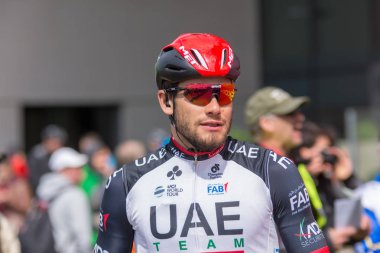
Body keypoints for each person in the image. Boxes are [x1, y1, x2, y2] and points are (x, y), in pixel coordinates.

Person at [94, 33, 329, 253]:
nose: (215, 108)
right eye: (199, 93)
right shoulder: (124, 184)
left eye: (225, 93)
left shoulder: (274, 170)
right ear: (166, 101)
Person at [288, 121, 370, 252]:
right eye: (323, 152)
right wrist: (327, 240)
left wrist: (347, 179)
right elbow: (295, 236)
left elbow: (347, 216)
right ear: (305, 152)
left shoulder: (324, 182)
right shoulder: (293, 183)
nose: (327, 157)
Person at [37, 147, 91, 253]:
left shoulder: (45, 192)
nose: (82, 171)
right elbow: (83, 238)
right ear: (64, 170)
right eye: (77, 167)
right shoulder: (75, 195)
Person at [245, 86, 309, 156]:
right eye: (291, 113)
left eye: (298, 112)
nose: (301, 117)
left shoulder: (302, 159)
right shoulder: (256, 165)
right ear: (267, 123)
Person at [28, 124, 67, 193]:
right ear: (45, 142)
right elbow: (33, 180)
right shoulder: (37, 155)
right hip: (41, 192)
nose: (54, 145)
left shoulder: (63, 155)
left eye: (56, 142)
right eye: (51, 141)